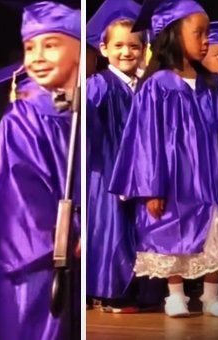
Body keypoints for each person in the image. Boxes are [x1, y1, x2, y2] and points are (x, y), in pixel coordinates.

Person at [110, 0, 218, 318]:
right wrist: (152, 188)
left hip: (211, 178)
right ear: (172, 34)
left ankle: (211, 296)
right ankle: (175, 295)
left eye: (207, 33)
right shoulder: (157, 87)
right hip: (173, 180)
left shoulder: (213, 84)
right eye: (199, 33)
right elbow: (145, 141)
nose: (206, 40)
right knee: (170, 233)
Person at [0, 2, 81, 338]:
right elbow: (21, 200)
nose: (37, 56)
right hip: (39, 266)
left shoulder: (89, 110)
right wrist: (75, 230)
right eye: (29, 47)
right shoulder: (21, 121)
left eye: (50, 45)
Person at [86, 0, 147, 314]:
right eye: (119, 45)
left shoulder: (146, 88)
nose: (127, 52)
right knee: (111, 228)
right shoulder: (97, 85)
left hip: (139, 171)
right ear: (104, 48)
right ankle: (110, 292)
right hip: (107, 170)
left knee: (136, 229)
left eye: (134, 46)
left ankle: (135, 288)